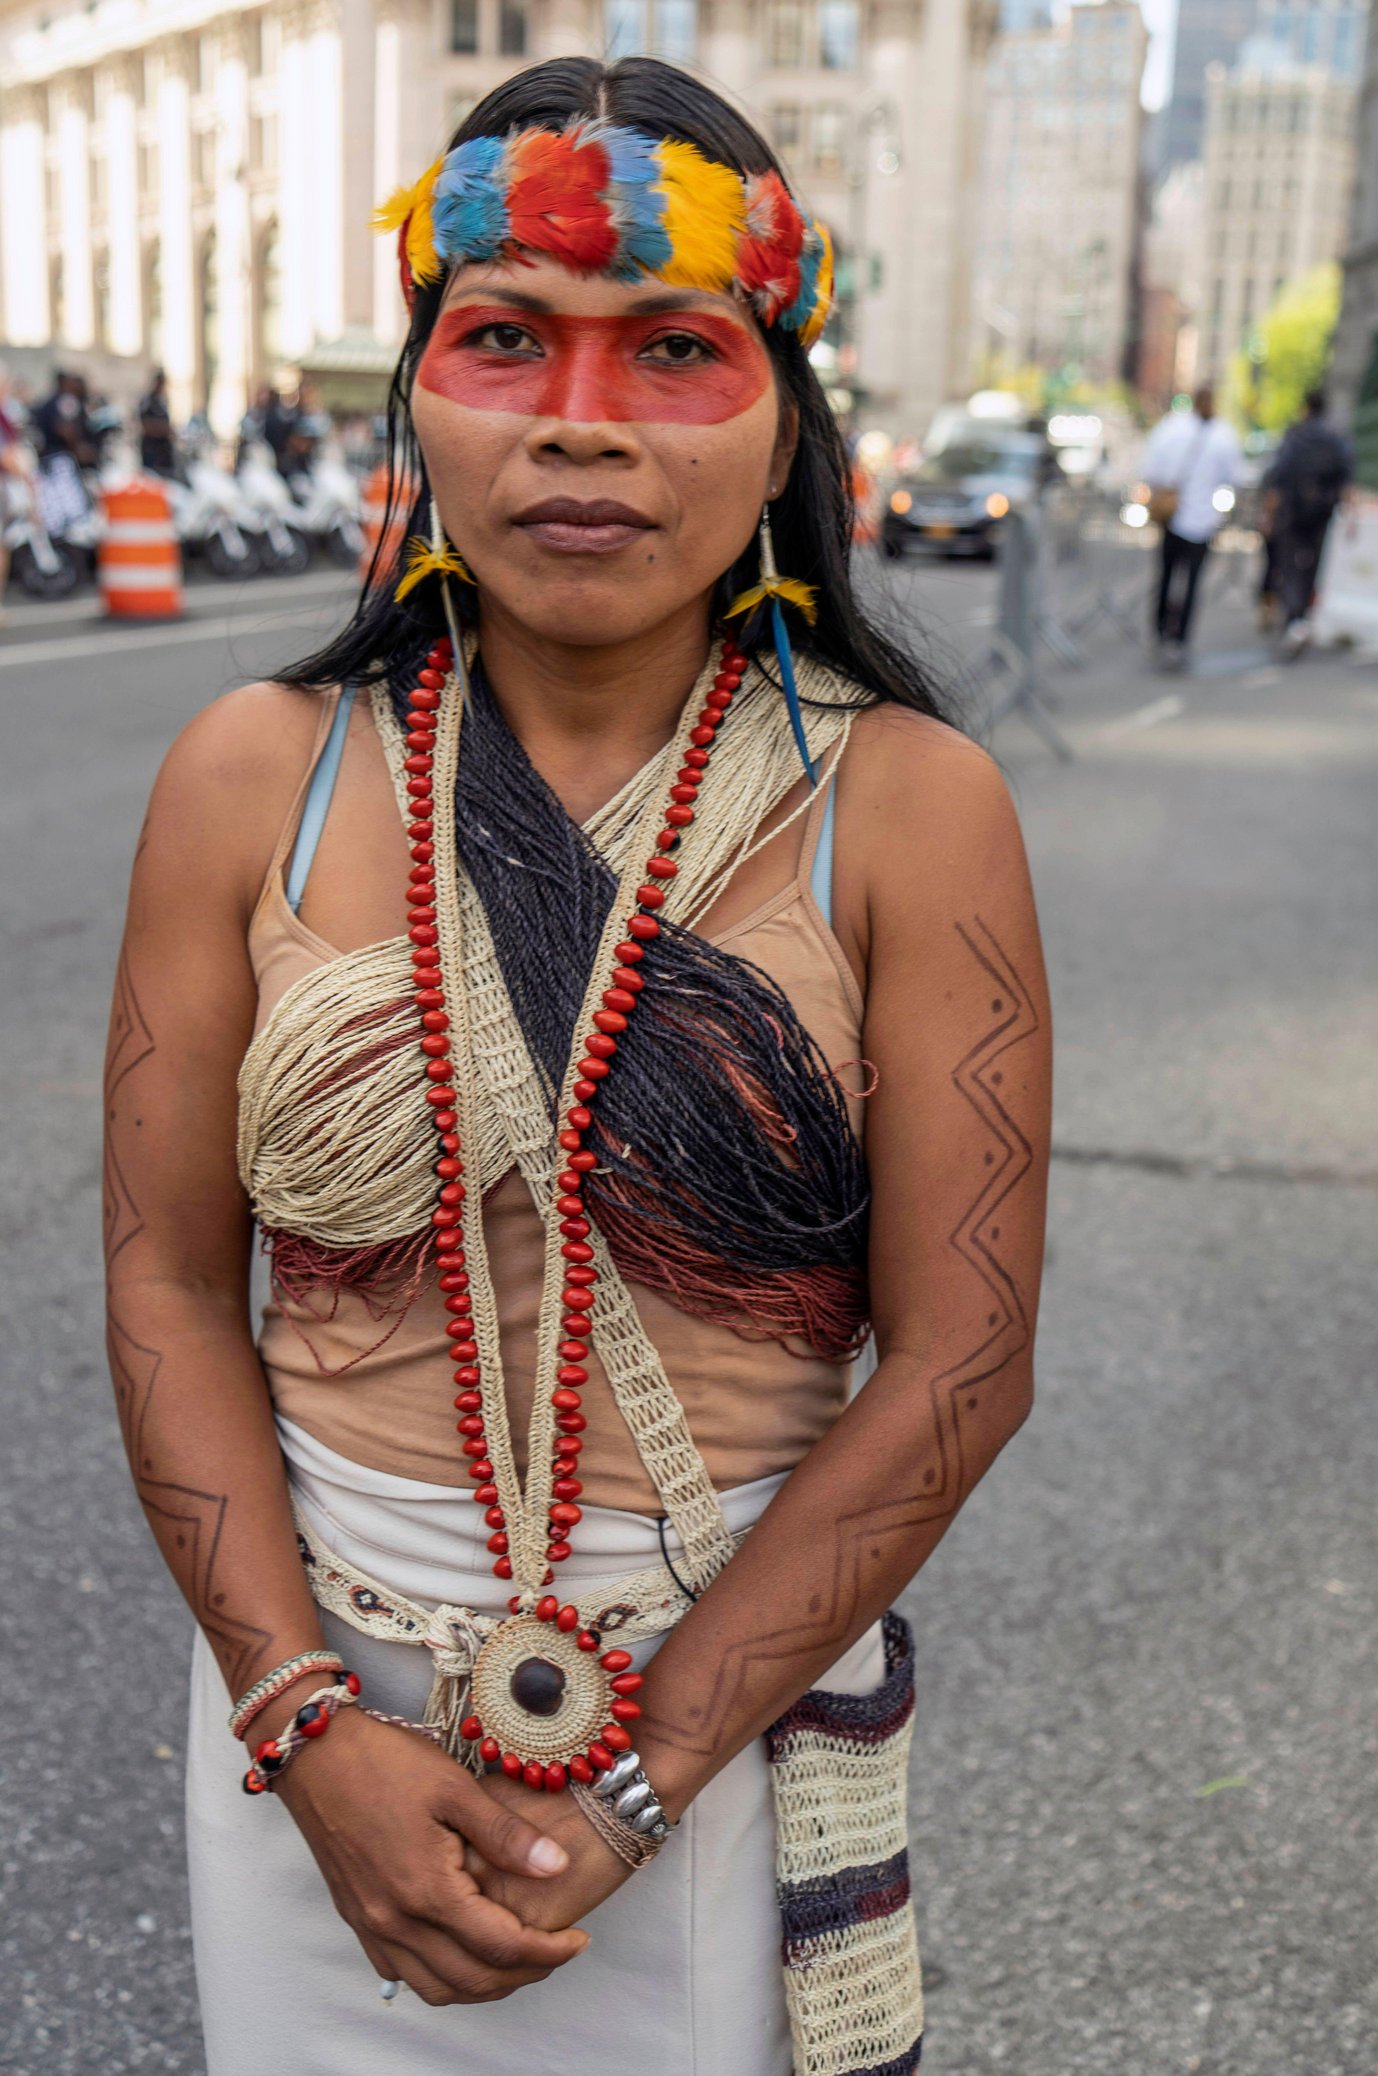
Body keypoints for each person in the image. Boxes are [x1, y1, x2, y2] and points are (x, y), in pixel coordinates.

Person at [104, 57, 1051, 2075]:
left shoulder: (903, 807)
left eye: (676, 349)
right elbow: (169, 1276)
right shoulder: (251, 779)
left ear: (784, 404)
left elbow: (962, 1355)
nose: (579, 425)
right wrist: (306, 1724)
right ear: (415, 391)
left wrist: (632, 1791)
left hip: (709, 1733)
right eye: (504, 339)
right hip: (313, 1731)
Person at [1142, 384, 1242, 667]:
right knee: (1192, 583)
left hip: (1173, 516)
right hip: (1203, 521)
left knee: (1166, 576)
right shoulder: (1224, 435)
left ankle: (1160, 630)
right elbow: (1235, 477)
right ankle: (1180, 639)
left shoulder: (1171, 428)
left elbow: (1151, 470)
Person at [1262, 388, 1353, 655]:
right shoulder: (1336, 437)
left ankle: (1293, 618)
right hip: (1322, 511)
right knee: (1313, 566)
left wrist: (1269, 512)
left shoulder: (1296, 435)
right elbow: (1346, 473)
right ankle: (1302, 618)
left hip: (1292, 511)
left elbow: (1278, 474)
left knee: (1289, 566)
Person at [32, 369, 97, 470]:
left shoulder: (50, 401)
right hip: (60, 457)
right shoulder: (64, 401)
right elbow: (64, 428)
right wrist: (78, 448)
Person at [137, 367, 178, 477]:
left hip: (164, 454)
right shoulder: (148, 401)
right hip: (152, 452)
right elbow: (145, 425)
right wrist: (163, 429)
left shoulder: (162, 401)